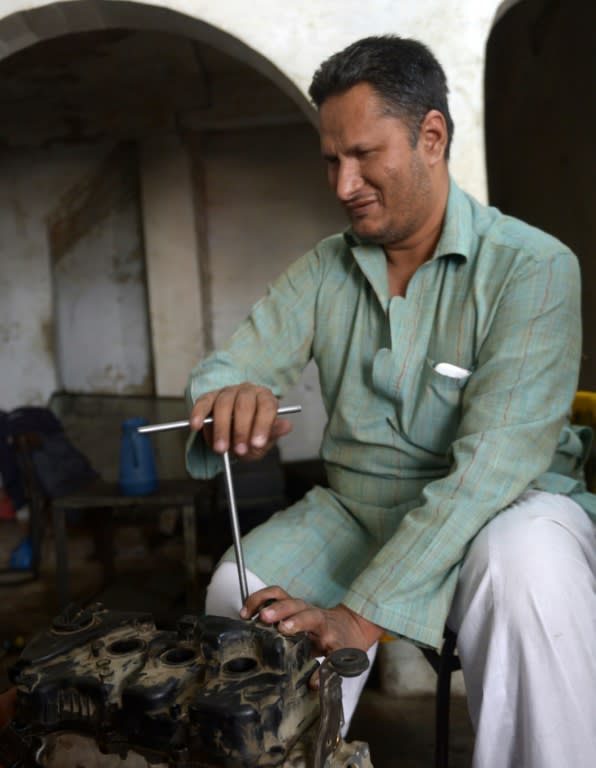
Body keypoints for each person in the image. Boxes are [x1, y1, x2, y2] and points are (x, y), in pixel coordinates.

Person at [186, 36, 596, 768]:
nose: (343, 185)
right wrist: (231, 391)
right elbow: (234, 359)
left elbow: (493, 467)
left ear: (431, 137)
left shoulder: (532, 268)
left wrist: (358, 615)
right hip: (357, 510)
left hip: (505, 505)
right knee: (237, 589)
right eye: (331, 159)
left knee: (528, 565)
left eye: (364, 155)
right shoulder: (325, 269)